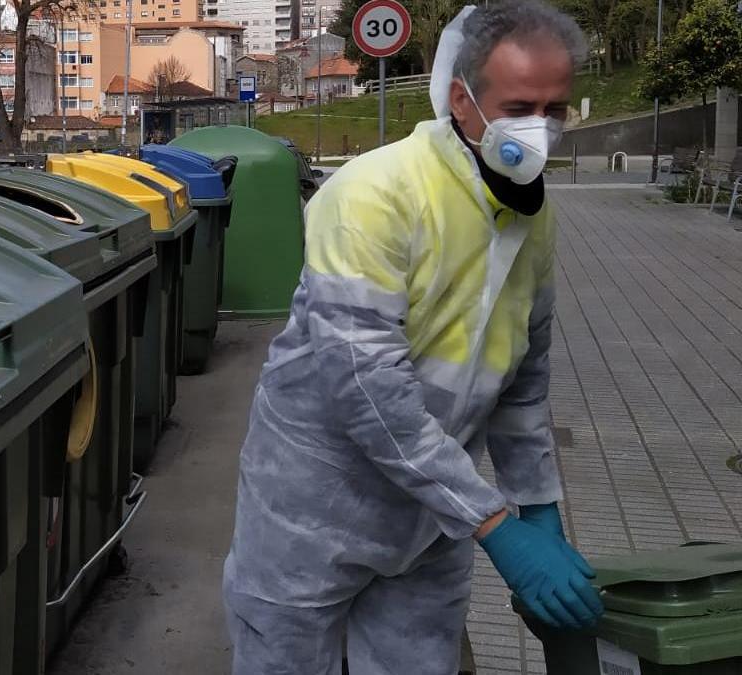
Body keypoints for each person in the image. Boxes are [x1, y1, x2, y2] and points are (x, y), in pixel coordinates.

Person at [222, 3, 604, 674]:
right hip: (314, 506)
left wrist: (538, 507)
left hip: (432, 515)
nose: (540, 128)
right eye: (519, 105)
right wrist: (497, 526)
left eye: (555, 109)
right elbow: (368, 392)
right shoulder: (374, 194)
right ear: (463, 101)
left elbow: (523, 382)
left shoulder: (531, 218)